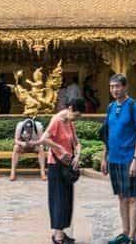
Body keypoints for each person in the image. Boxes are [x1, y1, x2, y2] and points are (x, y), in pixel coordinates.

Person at [100, 74, 136, 244]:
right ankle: (125, 232)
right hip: (114, 159)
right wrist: (104, 157)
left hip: (129, 158)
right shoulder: (111, 107)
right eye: (112, 87)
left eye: (117, 86)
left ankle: (133, 237)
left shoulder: (135, 106)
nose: (114, 90)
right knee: (121, 196)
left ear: (125, 87)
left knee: (133, 197)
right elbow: (107, 133)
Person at [38, 96, 85, 244]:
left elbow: (77, 143)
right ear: (70, 109)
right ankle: (57, 236)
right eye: (76, 115)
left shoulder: (69, 122)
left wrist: (77, 155)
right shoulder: (57, 120)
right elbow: (43, 139)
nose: (76, 119)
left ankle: (62, 232)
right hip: (56, 165)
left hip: (67, 166)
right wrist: (59, 148)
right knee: (58, 199)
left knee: (66, 200)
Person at [10, 116, 47, 181]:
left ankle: (42, 173)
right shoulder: (19, 126)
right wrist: (22, 143)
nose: (28, 132)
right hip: (23, 146)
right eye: (26, 129)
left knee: (41, 147)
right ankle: (12, 172)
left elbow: (42, 141)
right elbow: (16, 140)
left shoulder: (39, 126)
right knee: (15, 147)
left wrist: (34, 143)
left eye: (29, 130)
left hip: (34, 146)